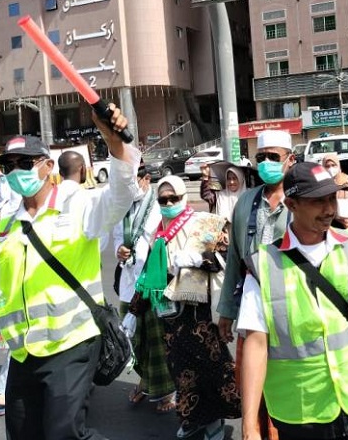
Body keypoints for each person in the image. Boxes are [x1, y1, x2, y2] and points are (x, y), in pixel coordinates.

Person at [0, 105, 140, 439]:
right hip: (24, 352)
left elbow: (120, 196)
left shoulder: (76, 204)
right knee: (23, 433)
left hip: (72, 345)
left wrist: (115, 145)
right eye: (8, 166)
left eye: (25, 163)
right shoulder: (8, 224)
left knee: (63, 434)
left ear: (48, 167)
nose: (15, 171)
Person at [238, 162, 348, 440]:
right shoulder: (263, 265)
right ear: (291, 204)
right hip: (301, 408)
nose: (329, 209)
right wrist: (250, 427)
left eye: (331, 198)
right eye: (317, 201)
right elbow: (255, 344)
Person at [138, 174, 240, 438]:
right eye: (163, 199)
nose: (169, 202)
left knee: (211, 368)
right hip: (171, 316)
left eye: (175, 197)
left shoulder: (203, 224)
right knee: (182, 372)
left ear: (185, 197)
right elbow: (150, 272)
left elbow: (226, 260)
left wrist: (196, 258)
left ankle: (215, 421)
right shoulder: (157, 232)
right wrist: (135, 310)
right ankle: (192, 418)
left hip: (200, 314)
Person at [217, 129, 295, 440]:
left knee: (286, 386)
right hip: (252, 306)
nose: (265, 164)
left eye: (273, 158)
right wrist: (226, 310)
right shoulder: (246, 201)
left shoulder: (301, 200)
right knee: (252, 386)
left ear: (290, 160)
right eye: (260, 158)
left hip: (291, 305)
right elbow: (235, 259)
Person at [113, 166, 177, 412]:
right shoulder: (122, 206)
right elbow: (117, 237)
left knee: (158, 342)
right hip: (129, 285)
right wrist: (120, 250)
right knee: (134, 342)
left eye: (131, 182)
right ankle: (145, 381)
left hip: (154, 284)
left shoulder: (161, 205)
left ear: (146, 179)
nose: (127, 188)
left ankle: (168, 391)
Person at [322, 153, 348, 231]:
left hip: (346, 223)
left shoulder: (347, 179)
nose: (330, 168)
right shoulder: (320, 182)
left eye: (333, 165)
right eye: (327, 166)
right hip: (328, 224)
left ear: (338, 165)